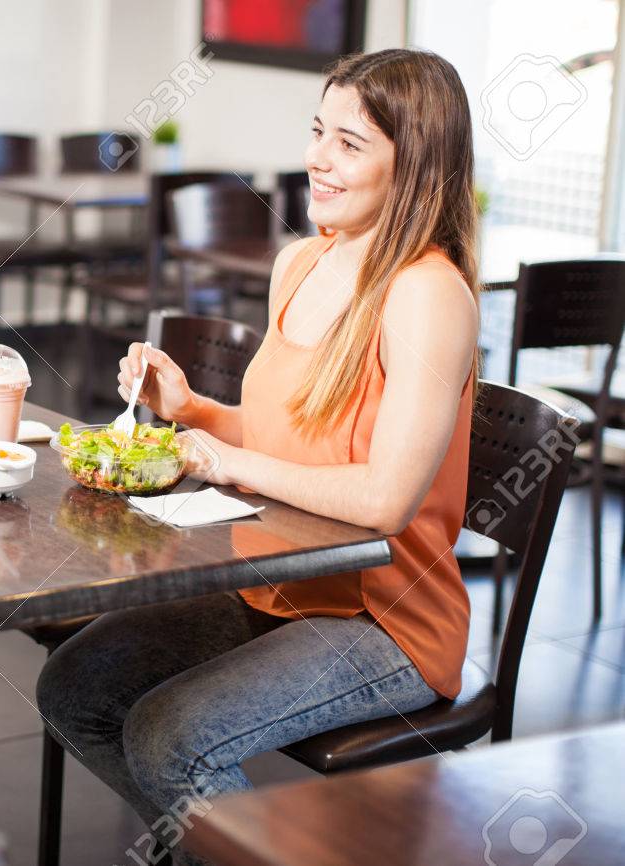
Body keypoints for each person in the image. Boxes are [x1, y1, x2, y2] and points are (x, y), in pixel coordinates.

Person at [37, 48, 480, 864]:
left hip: (385, 622)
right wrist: (195, 413)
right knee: (74, 689)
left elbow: (384, 501)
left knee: (170, 739)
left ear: (414, 163)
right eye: (318, 131)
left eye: (350, 143)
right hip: (274, 583)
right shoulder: (301, 261)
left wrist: (221, 461)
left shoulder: (427, 294)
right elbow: (287, 436)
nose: (317, 157)